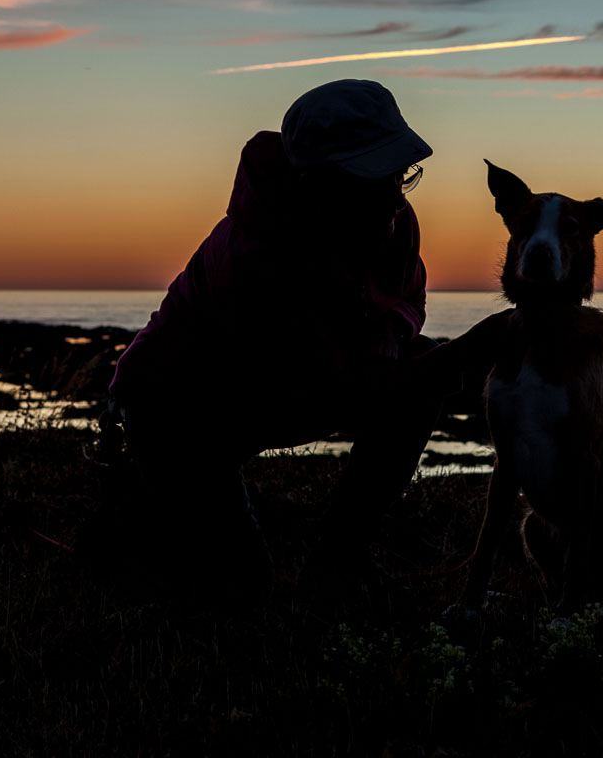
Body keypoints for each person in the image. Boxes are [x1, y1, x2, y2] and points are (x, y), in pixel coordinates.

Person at [94, 78, 456, 601]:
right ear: (320, 183)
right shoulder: (256, 260)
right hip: (175, 408)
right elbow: (327, 378)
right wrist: (464, 357)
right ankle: (148, 486)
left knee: (421, 367)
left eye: (400, 175)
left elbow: (410, 294)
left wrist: (393, 329)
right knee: (239, 592)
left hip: (276, 393)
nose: (395, 196)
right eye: (375, 176)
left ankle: (340, 561)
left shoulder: (387, 218)